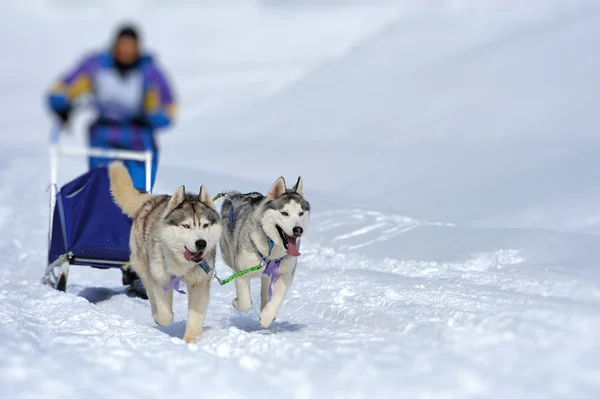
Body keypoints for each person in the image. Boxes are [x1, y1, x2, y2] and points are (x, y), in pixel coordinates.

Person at [46, 23, 177, 298]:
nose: (127, 52)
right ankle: (93, 245)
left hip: (139, 139)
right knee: (104, 194)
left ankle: (134, 265)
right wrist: (62, 103)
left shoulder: (149, 71)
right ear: (115, 46)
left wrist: (152, 117)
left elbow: (167, 106)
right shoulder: (97, 65)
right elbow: (63, 88)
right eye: (122, 46)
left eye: (132, 47)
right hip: (104, 136)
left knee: (137, 200)